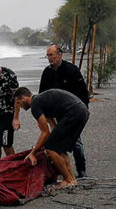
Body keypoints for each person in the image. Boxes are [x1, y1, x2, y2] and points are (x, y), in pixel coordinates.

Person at [14, 44, 90, 178]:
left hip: (73, 109)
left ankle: (81, 169)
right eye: (47, 55)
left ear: (59, 55)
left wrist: (85, 106)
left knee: (74, 141)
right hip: (57, 110)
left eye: (51, 55)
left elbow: (82, 90)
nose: (49, 58)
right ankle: (61, 169)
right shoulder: (47, 73)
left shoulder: (71, 69)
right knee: (57, 140)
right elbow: (43, 93)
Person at [13, 86, 90, 188]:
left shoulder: (35, 105)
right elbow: (53, 127)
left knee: (51, 148)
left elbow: (45, 133)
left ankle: (67, 179)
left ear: (24, 99)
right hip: (81, 111)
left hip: (74, 112)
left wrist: (33, 153)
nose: (19, 106)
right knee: (59, 148)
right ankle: (72, 179)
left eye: (18, 103)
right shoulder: (42, 101)